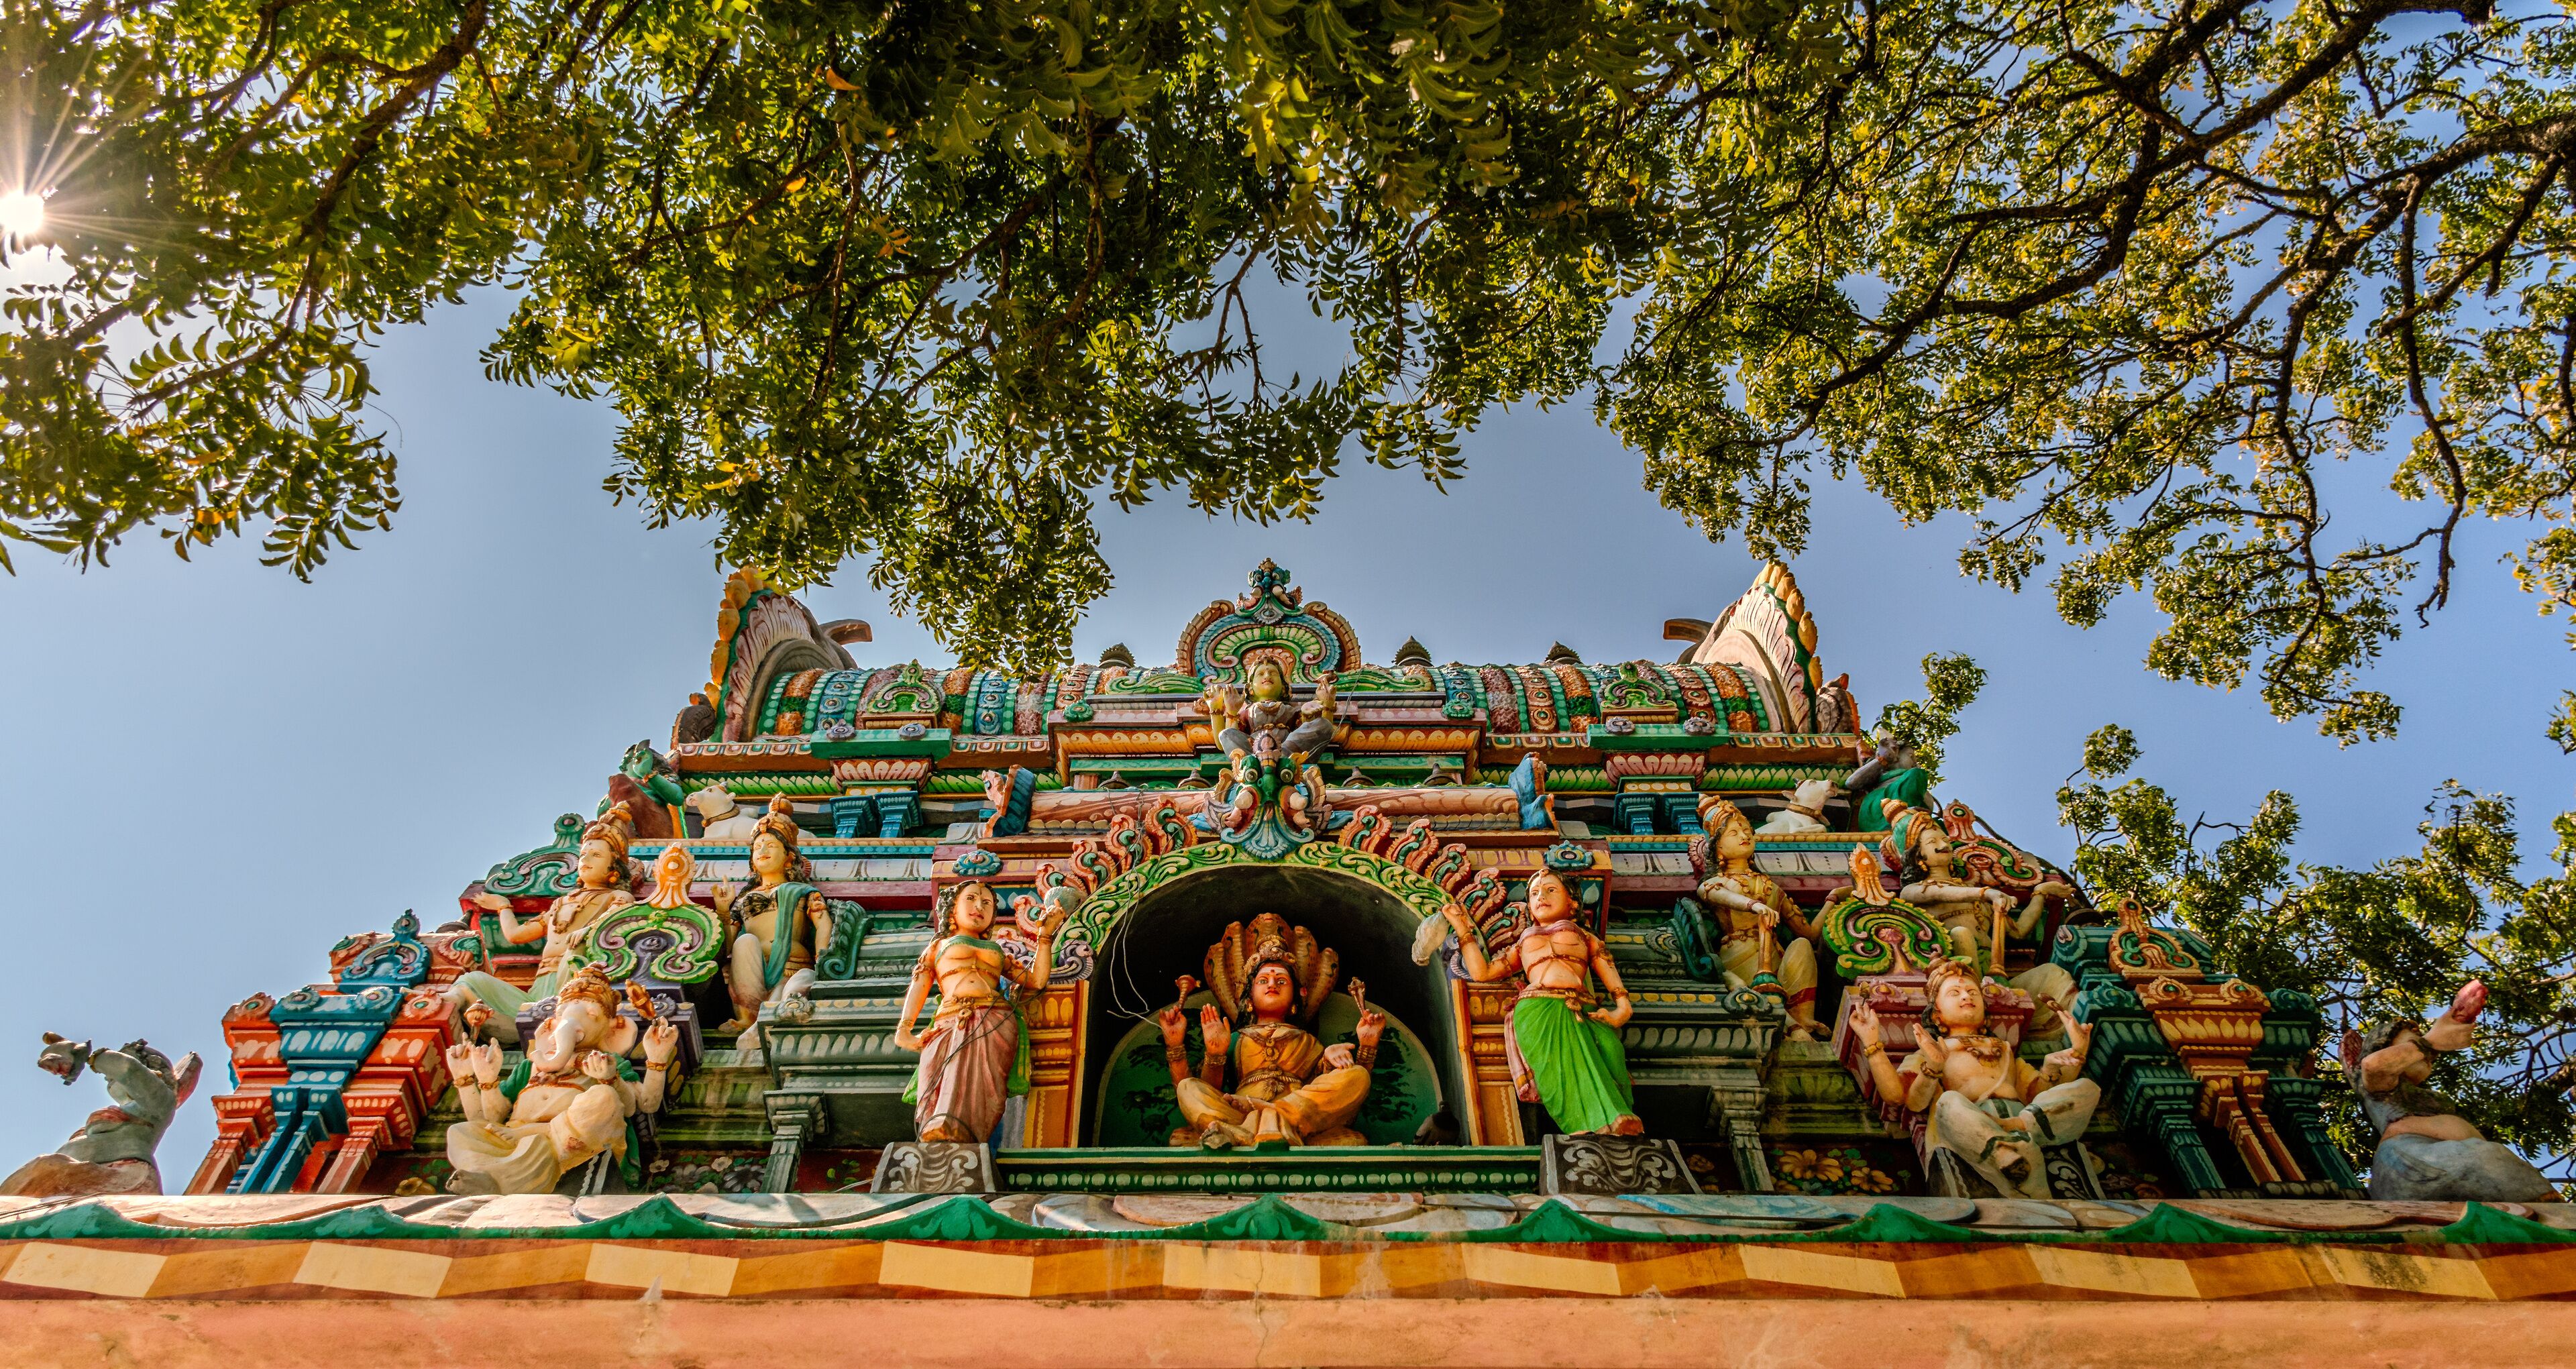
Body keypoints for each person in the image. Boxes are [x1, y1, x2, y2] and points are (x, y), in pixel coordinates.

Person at [1442, 867, 1643, 1135]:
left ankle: (1618, 1114)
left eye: (1550, 890)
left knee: (1610, 1051)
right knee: (1558, 1068)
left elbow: (1611, 975)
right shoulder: (1523, 942)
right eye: (1534, 893)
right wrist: (1462, 928)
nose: (1541, 897)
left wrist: (1622, 1010)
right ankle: (1584, 1125)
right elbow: (1483, 973)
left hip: (1582, 1007)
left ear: (1572, 902)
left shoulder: (1586, 938)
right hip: (1537, 1008)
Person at [890, 883, 1059, 1144]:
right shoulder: (939, 946)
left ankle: (972, 1135)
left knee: (985, 1087)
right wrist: (904, 1030)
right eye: (971, 899)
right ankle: (938, 1125)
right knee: (937, 1075)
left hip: (994, 1020)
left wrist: (1045, 936)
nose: (979, 907)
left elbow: (1036, 980)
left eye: (987, 903)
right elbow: (919, 985)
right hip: (950, 1019)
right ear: (952, 910)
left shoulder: (998, 952)